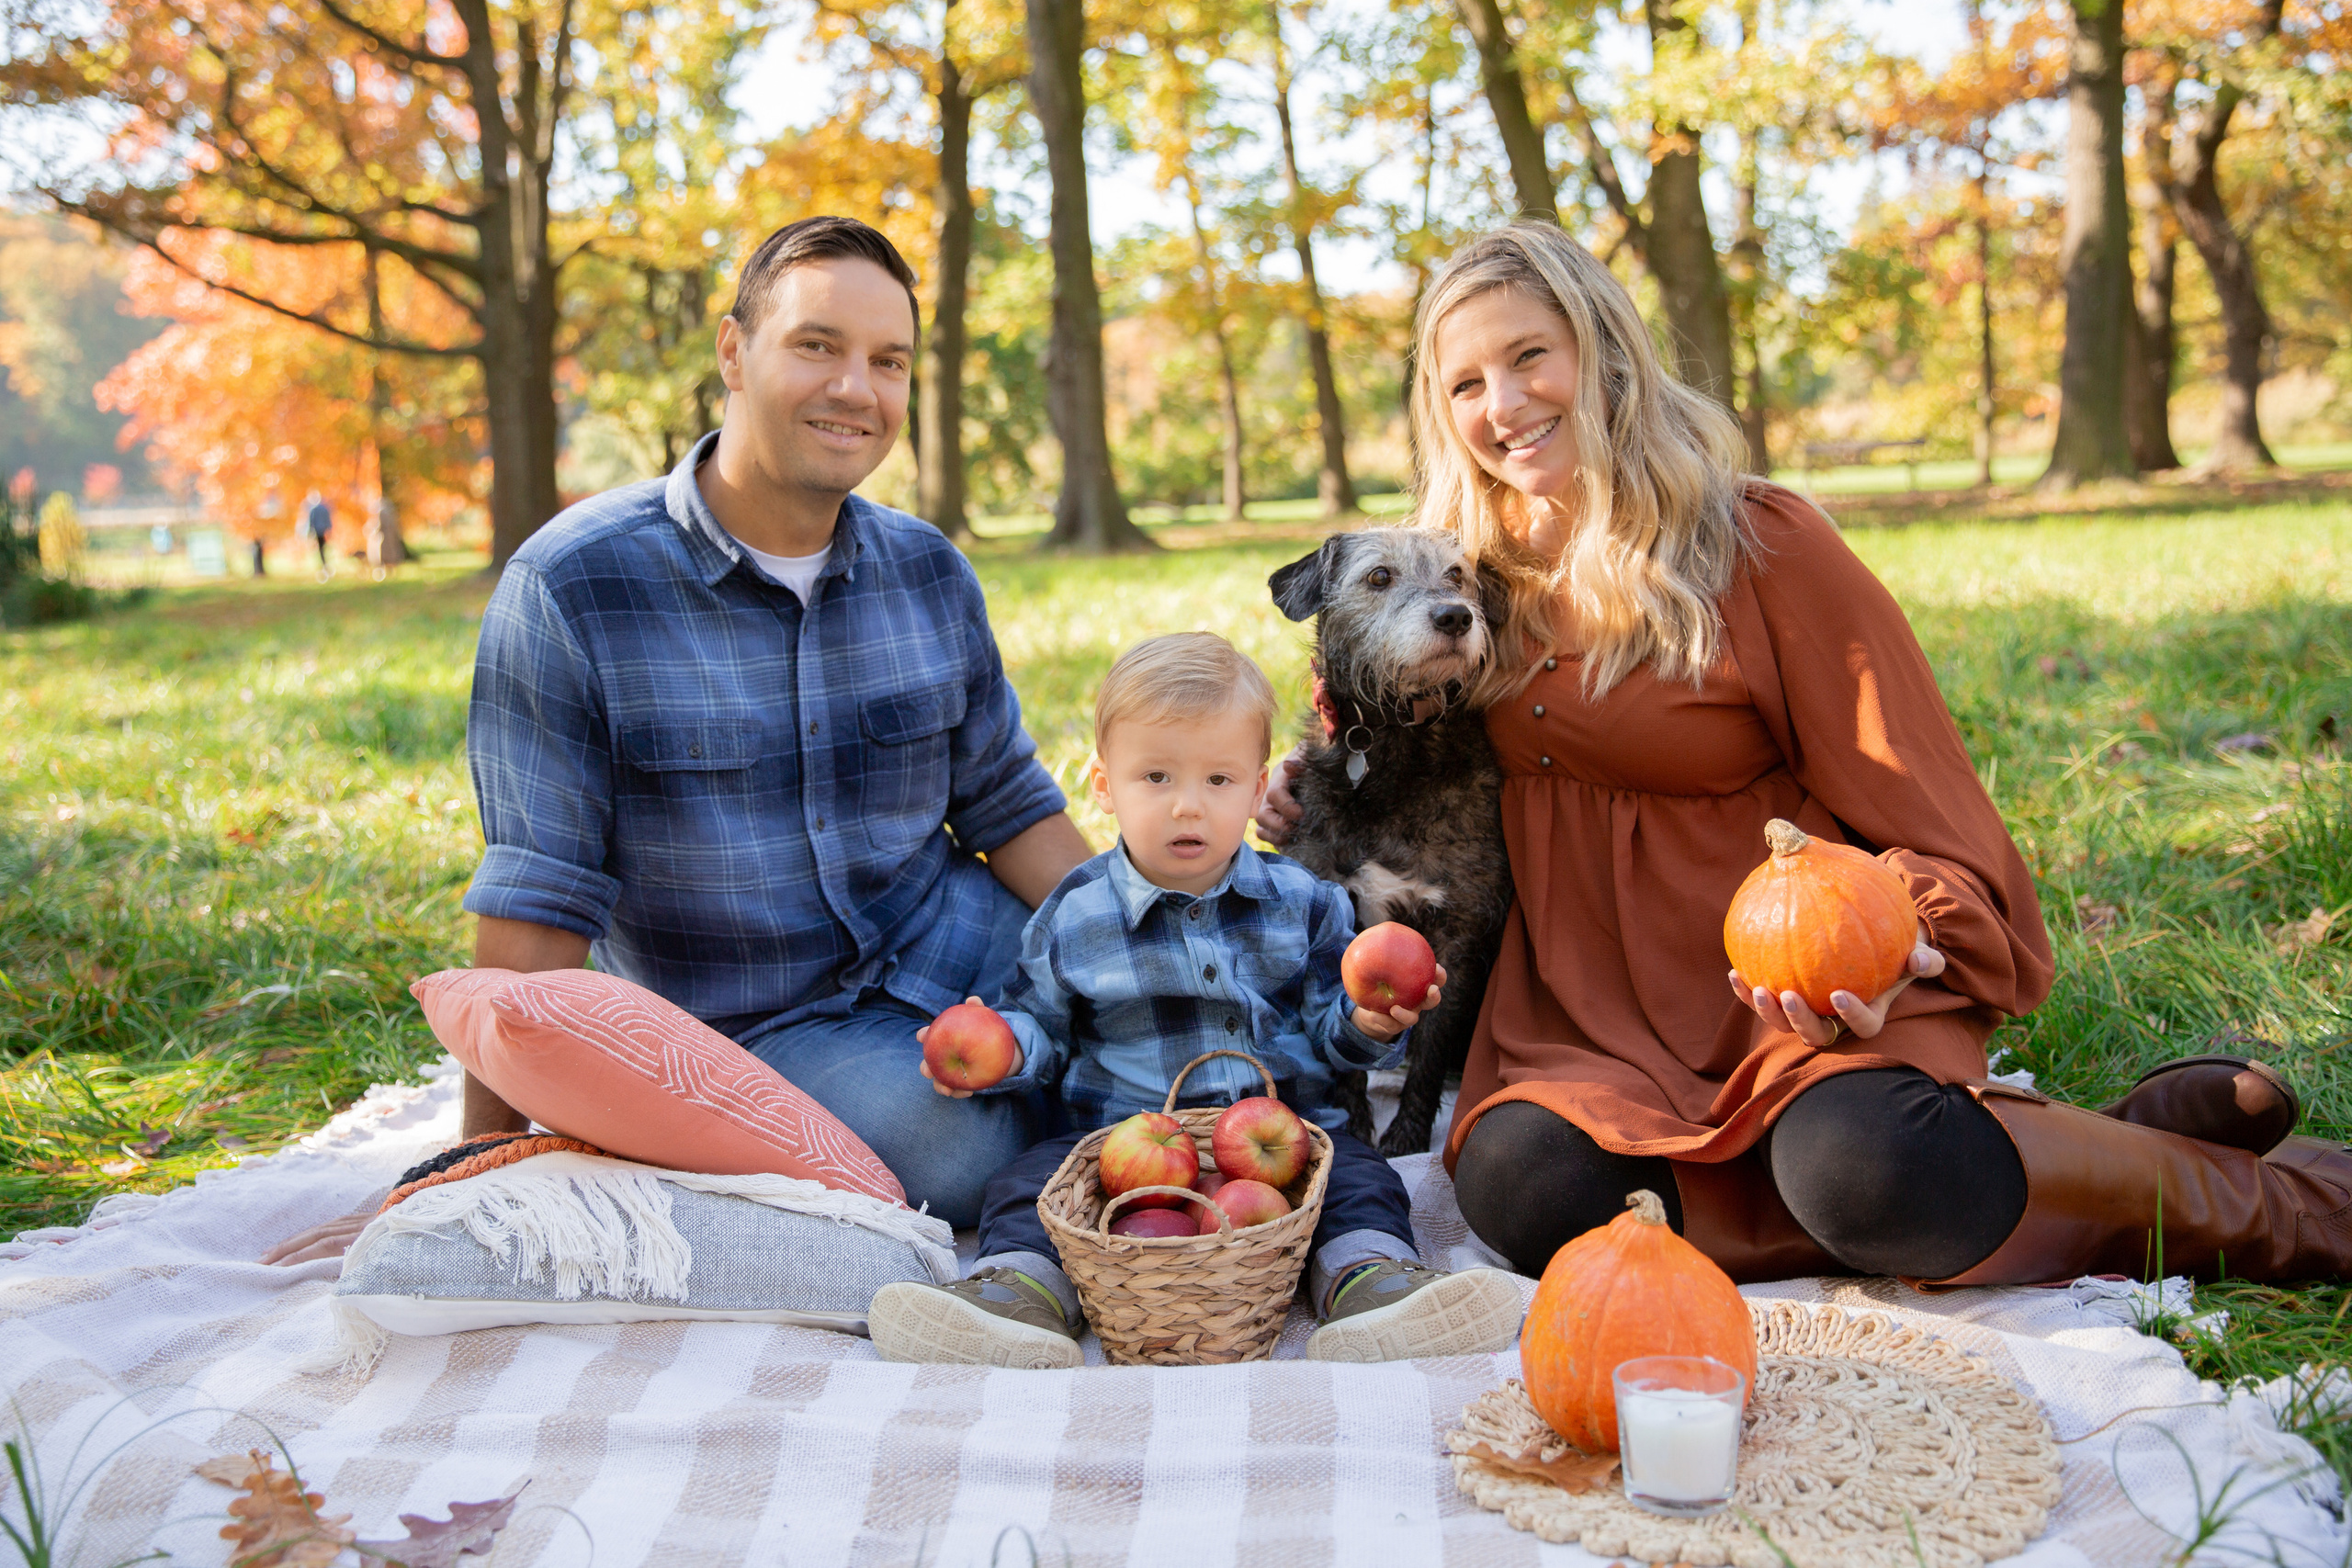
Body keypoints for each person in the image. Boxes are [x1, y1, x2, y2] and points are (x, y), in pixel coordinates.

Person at [1257, 221, 2352, 1290]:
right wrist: (1307, 790)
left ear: (1603, 354)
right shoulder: (1464, 583)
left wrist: (1894, 953)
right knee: (1526, 1195)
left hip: (1795, 983)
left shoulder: (1757, 544)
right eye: (1464, 384)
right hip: (1589, 1017)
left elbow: (1921, 800)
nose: (1503, 405)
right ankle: (2043, 1153)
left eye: (1530, 355)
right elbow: (1370, 724)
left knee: (1864, 1168)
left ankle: (2287, 1207)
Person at [263, 216, 1091, 1266]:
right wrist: (480, 1164)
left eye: (888, 362)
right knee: (949, 1149)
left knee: (1204, 1012)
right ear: (734, 352)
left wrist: (1143, 935)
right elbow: (538, 892)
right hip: (757, 1023)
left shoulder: (928, 570)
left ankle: (1101, 1099)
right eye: (817, 345)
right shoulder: (573, 586)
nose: (856, 388)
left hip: (952, 938)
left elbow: (1009, 808)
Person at [866, 634, 1522, 1367]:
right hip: (1121, 1150)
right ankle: (1017, 1298)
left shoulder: (1301, 901)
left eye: (1218, 780)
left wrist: (1367, 1022)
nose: (1188, 805)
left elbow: (1328, 1029)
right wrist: (1005, 1048)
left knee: (1361, 1177)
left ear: (1256, 787)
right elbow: (1045, 1028)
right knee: (1029, 1182)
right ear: (1104, 785)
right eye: (1155, 777)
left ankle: (1372, 1286)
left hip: (1286, 1146)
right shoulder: (1075, 913)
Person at [300, 491, 332, 578]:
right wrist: (329, 529)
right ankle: (324, 565)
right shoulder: (324, 508)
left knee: (321, 550)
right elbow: (328, 521)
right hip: (324, 531)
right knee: (323, 549)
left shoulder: (313, 510)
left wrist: (310, 532)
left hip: (318, 532)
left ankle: (324, 566)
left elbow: (311, 522)